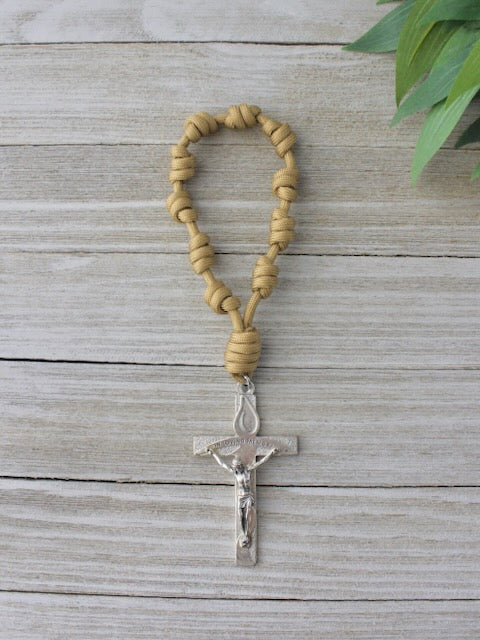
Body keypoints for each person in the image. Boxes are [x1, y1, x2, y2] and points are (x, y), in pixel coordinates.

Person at [207, 445, 278, 547]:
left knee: (248, 512)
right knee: (241, 515)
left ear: (241, 465)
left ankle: (247, 533)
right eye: (236, 466)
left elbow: (261, 462)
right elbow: (222, 464)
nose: (237, 467)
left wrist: (270, 453)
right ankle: (244, 533)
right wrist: (213, 453)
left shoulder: (248, 470)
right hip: (240, 497)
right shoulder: (235, 473)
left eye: (238, 466)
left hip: (248, 495)